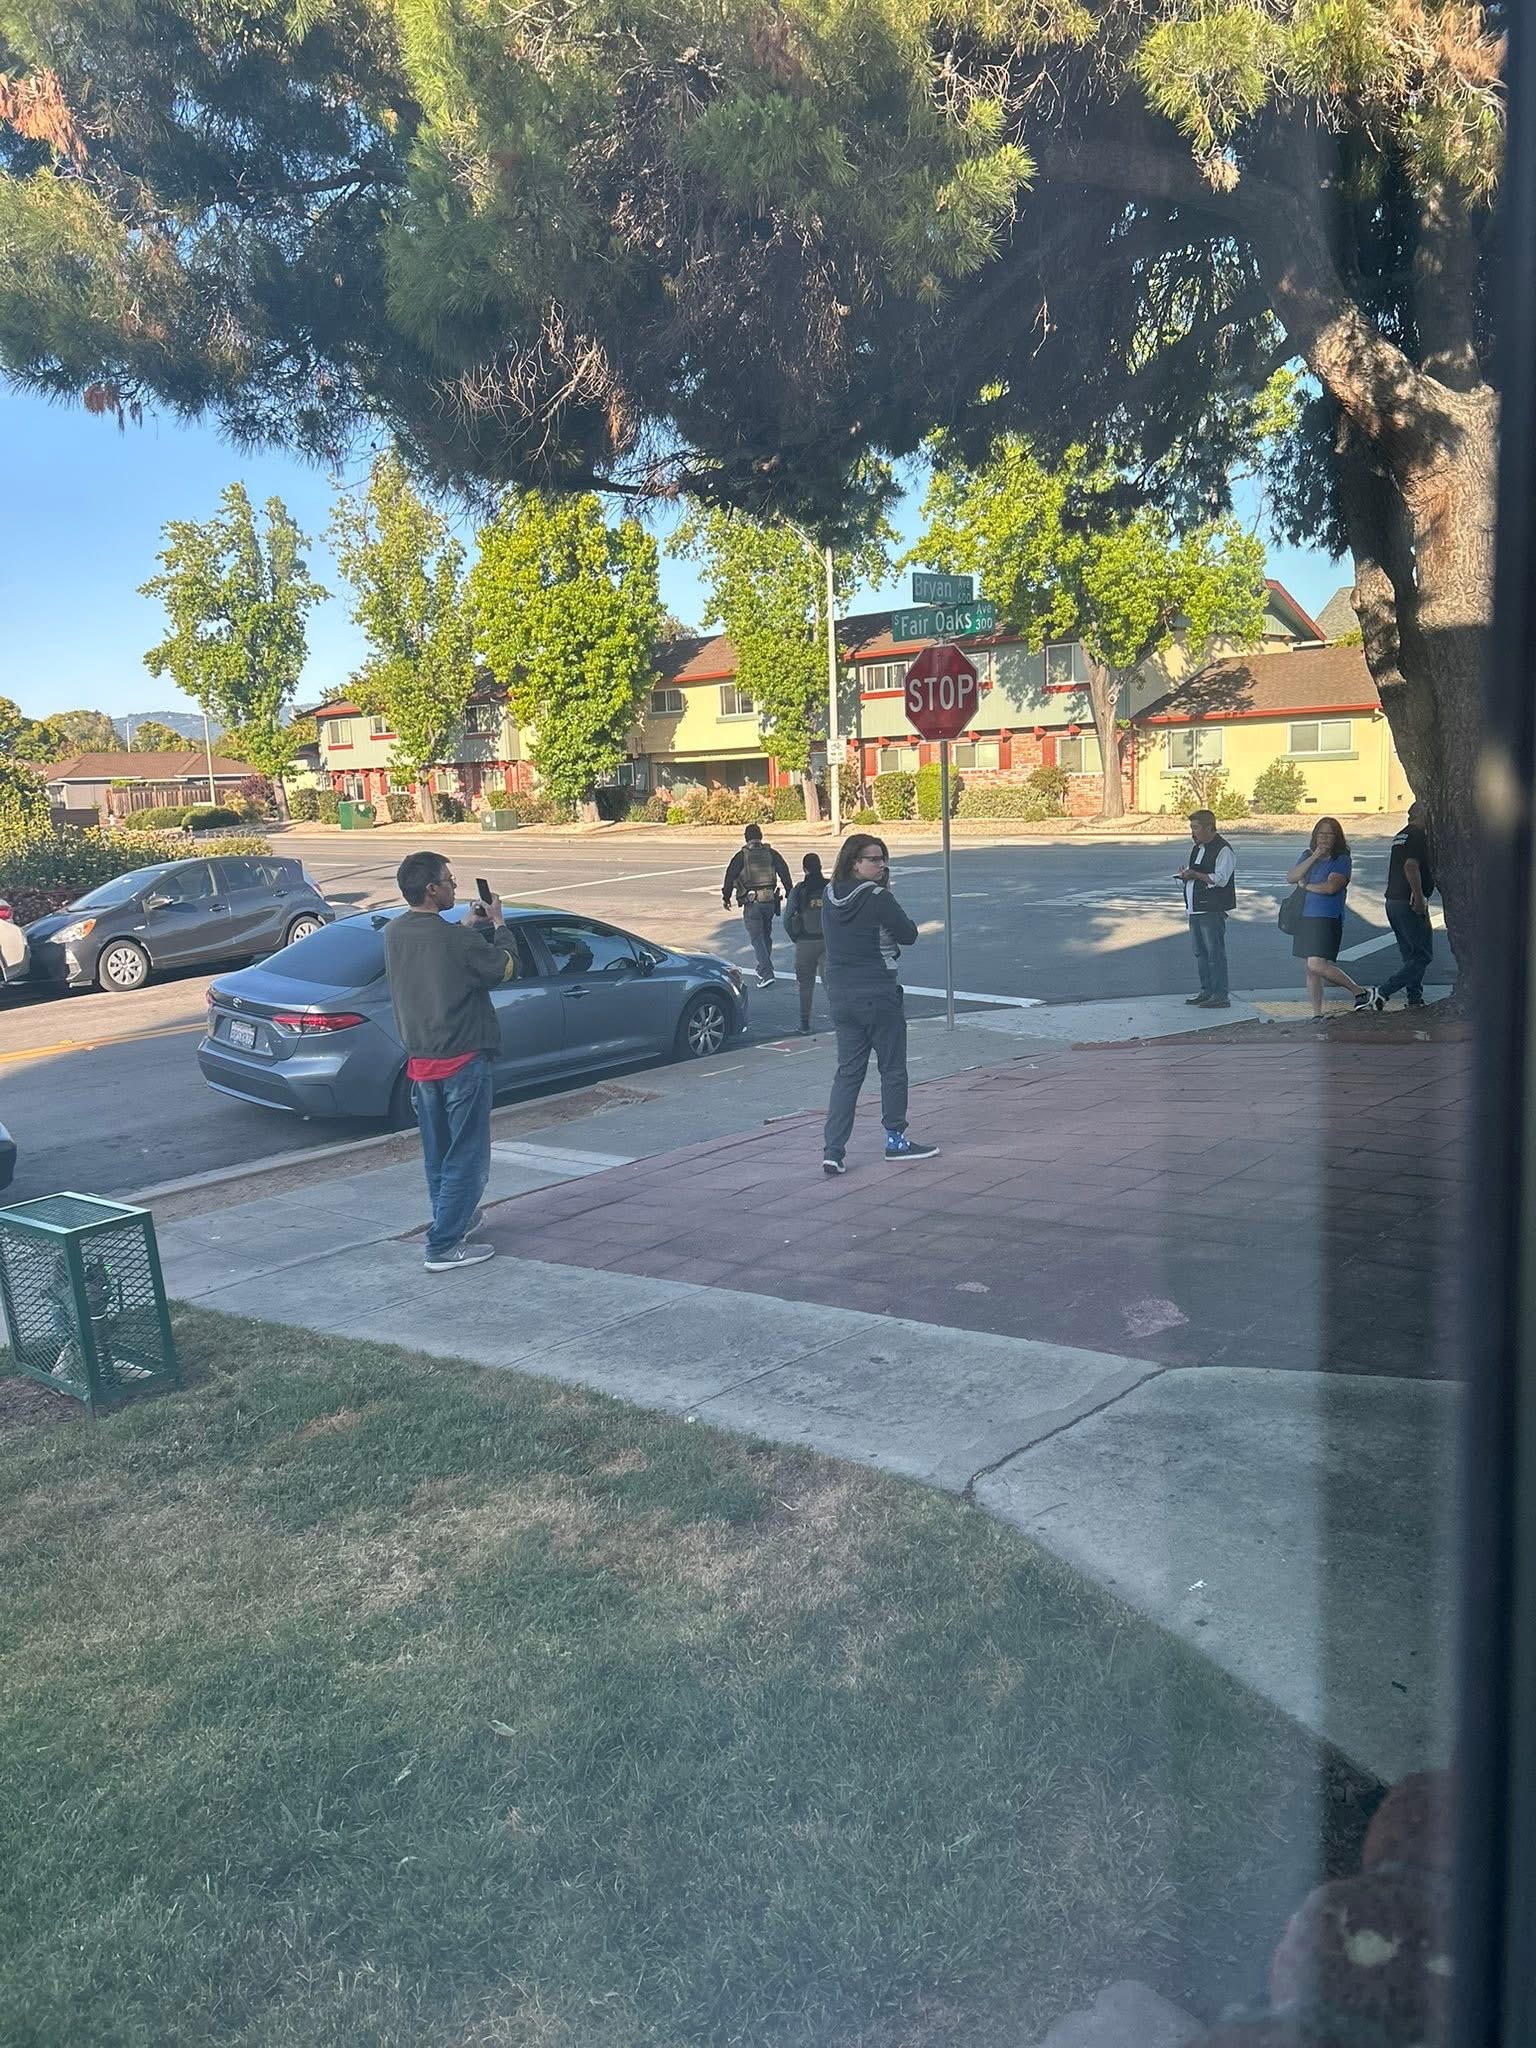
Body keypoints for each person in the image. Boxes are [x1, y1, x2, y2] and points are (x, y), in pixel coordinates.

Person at [383, 851, 519, 1272]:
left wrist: (465, 926)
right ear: (431, 889)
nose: (454, 886)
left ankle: (453, 1218)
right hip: (463, 1059)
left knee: (439, 1153)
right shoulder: (458, 942)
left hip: (422, 1061)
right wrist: (499, 924)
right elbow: (506, 968)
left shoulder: (395, 932)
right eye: (448, 880)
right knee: (468, 1155)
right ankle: (443, 1245)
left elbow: (439, 950)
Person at [820, 833, 940, 1174]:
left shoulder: (829, 895)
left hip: (840, 992)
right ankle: (896, 1141)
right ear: (854, 862)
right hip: (877, 991)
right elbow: (909, 934)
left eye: (883, 858)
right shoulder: (878, 898)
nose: (882, 864)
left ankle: (833, 1151)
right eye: (874, 859)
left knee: (848, 1073)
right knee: (892, 1068)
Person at [1285, 818, 1382, 1017]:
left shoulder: (1341, 859)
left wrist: (1306, 886)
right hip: (1305, 917)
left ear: (1337, 837)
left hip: (1327, 918)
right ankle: (1317, 1013)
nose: (1324, 838)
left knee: (1316, 964)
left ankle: (1360, 992)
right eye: (1321, 834)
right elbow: (1291, 877)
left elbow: (1331, 887)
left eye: (1329, 834)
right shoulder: (1307, 855)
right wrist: (1314, 856)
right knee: (1311, 970)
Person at [1175, 808, 1236, 1008]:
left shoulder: (1223, 850)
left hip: (1212, 908)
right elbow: (1198, 872)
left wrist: (1195, 875)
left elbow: (1221, 879)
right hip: (1195, 907)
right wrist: (1186, 875)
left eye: (1196, 828)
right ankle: (1206, 990)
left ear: (1209, 828)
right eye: (1191, 827)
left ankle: (1220, 994)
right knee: (1200, 952)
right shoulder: (1197, 848)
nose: (1192, 832)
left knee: (1214, 953)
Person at [1376, 801, 1435, 1009]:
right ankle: (1382, 992)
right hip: (1408, 901)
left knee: (1411, 955)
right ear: (1423, 815)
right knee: (1423, 956)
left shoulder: (1401, 835)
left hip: (1393, 901)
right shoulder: (1418, 835)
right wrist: (1418, 896)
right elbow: (1411, 866)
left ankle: (1414, 999)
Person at [721, 823, 792, 988]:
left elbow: (730, 876)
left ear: (746, 838)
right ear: (761, 836)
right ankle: (762, 968)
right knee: (766, 935)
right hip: (770, 901)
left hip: (752, 902)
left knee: (757, 937)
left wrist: (726, 896)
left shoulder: (742, 856)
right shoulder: (771, 853)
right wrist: (790, 891)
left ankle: (766, 973)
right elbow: (784, 872)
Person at [784, 851, 828, 1034]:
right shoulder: (829, 887)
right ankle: (843, 1020)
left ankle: (805, 1024)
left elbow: (787, 919)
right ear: (820, 867)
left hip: (805, 942)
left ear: (804, 869)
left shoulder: (799, 890)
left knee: (805, 985)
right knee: (832, 983)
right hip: (828, 941)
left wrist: (795, 937)